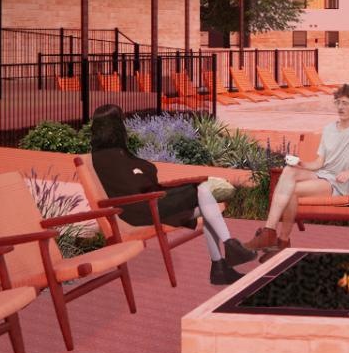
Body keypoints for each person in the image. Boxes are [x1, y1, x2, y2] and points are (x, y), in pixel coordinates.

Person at [86, 104, 255, 284]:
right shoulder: (106, 157)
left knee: (207, 201)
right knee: (203, 191)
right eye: (121, 121)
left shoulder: (115, 152)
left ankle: (221, 265)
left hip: (149, 202)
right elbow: (135, 183)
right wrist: (142, 173)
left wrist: (142, 173)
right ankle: (228, 249)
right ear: (115, 126)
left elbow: (144, 173)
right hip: (141, 209)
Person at [247, 84, 349, 261]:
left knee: (290, 189)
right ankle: (271, 233)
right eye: (338, 103)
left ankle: (278, 239)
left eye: (345, 103)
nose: (340, 107)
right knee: (289, 171)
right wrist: (301, 164)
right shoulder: (329, 129)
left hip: (338, 182)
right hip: (322, 173)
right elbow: (319, 163)